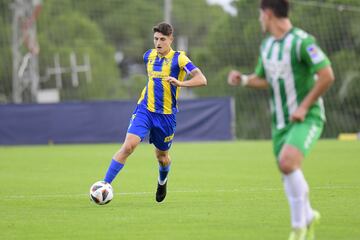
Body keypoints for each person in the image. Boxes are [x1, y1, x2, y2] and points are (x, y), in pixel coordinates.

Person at [227, 0, 335, 239]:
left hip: (306, 117)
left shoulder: (302, 41)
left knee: (287, 162)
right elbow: (265, 79)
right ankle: (307, 215)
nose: (259, 20)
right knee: (287, 169)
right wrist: (243, 80)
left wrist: (305, 107)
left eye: (259, 15)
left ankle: (298, 230)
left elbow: (327, 75)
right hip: (280, 122)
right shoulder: (267, 46)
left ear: (267, 14)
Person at [102, 22, 207, 203]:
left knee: (162, 157)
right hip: (145, 109)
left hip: (166, 116)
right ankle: (104, 185)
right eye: (156, 39)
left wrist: (181, 83)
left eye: (162, 39)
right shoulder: (148, 56)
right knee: (128, 146)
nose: (158, 43)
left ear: (171, 40)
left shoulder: (180, 59)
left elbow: (202, 79)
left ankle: (162, 180)